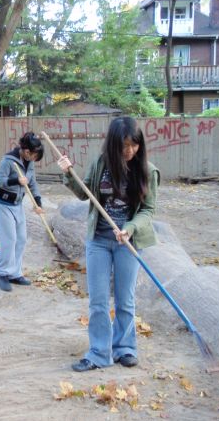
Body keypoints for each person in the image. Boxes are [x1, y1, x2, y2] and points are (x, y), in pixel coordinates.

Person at [57, 116, 160, 372]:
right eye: (124, 145)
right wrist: (68, 173)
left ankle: (125, 348)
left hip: (128, 241)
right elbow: (84, 193)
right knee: (98, 301)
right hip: (99, 241)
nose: (129, 150)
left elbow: (148, 210)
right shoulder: (101, 164)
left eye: (134, 145)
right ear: (113, 144)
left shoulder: (148, 171)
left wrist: (130, 228)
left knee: (125, 300)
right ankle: (99, 353)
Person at [0, 132, 45, 292]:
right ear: (27, 151)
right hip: (3, 204)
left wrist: (38, 202)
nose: (34, 159)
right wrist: (16, 180)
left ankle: (14, 273)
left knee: (21, 239)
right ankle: (2, 274)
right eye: (34, 155)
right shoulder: (8, 161)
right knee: (9, 240)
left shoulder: (30, 162)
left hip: (18, 204)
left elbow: (32, 183)